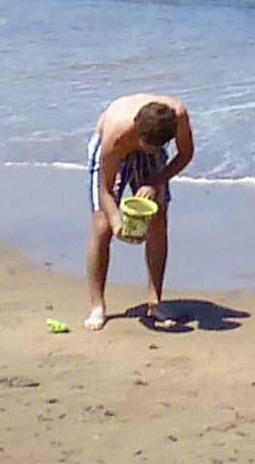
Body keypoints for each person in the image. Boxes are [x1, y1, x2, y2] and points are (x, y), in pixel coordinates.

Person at [79, 93, 195, 331]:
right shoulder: (117, 134)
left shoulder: (178, 116)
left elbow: (185, 154)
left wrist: (156, 182)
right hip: (112, 152)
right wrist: (116, 221)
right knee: (102, 227)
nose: (153, 151)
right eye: (149, 147)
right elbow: (105, 189)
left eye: (159, 148)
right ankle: (97, 305)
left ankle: (155, 301)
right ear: (138, 134)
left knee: (158, 219)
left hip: (149, 138)